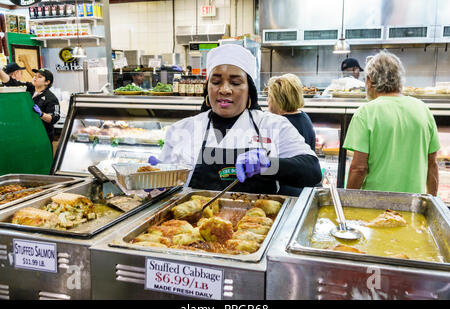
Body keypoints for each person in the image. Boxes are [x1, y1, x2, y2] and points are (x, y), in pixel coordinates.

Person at [149, 44, 322, 195]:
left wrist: (270, 164)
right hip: (192, 226)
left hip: (257, 224)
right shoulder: (183, 129)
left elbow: (312, 171)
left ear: (249, 90)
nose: (224, 89)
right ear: (207, 88)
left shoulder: (273, 125)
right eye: (216, 82)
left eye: (236, 82)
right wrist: (156, 180)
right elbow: (167, 187)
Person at [343, 51, 440, 196]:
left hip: (374, 205)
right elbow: (432, 165)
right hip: (412, 205)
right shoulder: (423, 109)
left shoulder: (366, 112)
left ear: (370, 81)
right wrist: (432, 201)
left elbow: (359, 168)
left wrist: (347, 202)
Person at [266, 73, 318, 196]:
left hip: (289, 191)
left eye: (269, 97)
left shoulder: (282, 125)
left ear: (278, 99)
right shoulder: (303, 116)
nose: (268, 101)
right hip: (305, 188)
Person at [0, 67, 61, 143]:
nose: (35, 78)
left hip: (43, 137)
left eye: (39, 77)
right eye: (35, 75)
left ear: (47, 82)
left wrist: (41, 114)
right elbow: (10, 82)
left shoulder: (51, 98)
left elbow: (54, 118)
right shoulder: (29, 88)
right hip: (28, 134)